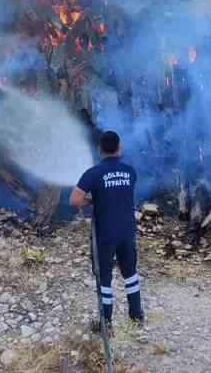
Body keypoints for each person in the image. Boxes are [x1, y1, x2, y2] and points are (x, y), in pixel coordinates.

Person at [71, 130, 143, 329]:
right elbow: (120, 194)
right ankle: (137, 316)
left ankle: (106, 322)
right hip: (127, 231)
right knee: (130, 273)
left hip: (105, 234)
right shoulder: (130, 172)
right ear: (119, 148)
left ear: (99, 150)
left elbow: (74, 200)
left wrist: (92, 199)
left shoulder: (93, 173)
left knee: (104, 277)